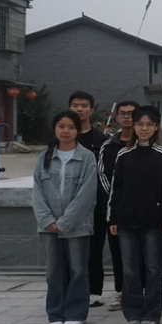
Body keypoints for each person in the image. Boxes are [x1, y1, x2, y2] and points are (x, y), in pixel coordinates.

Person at [108, 106, 162, 324]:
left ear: (156, 127)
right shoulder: (123, 154)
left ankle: (152, 313)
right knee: (130, 270)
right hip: (126, 222)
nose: (144, 129)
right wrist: (112, 218)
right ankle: (132, 313)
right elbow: (115, 189)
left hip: (154, 222)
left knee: (154, 269)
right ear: (134, 126)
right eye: (140, 124)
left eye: (149, 124)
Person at [33, 111, 99, 324]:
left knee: (78, 270)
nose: (66, 131)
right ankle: (55, 314)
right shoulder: (44, 157)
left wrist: (64, 222)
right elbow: (37, 192)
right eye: (61, 126)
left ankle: (76, 313)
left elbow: (87, 194)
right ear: (54, 128)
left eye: (71, 127)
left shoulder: (87, 157)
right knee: (53, 272)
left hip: (77, 226)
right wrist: (47, 220)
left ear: (78, 130)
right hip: (48, 226)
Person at [97, 100, 140, 312]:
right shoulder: (108, 146)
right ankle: (123, 291)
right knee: (118, 252)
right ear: (116, 117)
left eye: (131, 113)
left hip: (143, 209)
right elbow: (103, 176)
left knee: (143, 253)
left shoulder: (146, 144)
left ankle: (141, 291)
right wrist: (117, 201)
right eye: (123, 113)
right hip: (116, 210)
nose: (127, 117)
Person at [69, 91, 108, 309]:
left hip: (96, 203)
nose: (79, 109)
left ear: (91, 110)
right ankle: (71, 289)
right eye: (75, 105)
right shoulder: (64, 138)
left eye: (84, 105)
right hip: (68, 203)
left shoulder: (101, 140)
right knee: (70, 250)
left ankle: (94, 290)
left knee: (95, 248)